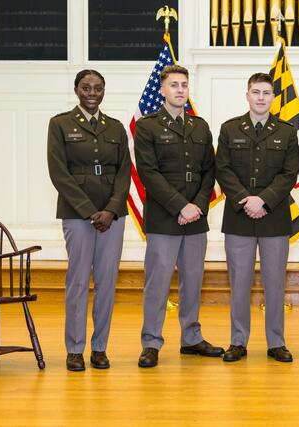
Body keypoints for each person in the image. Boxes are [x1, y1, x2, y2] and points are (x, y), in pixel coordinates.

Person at [134, 64, 224, 368]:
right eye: (174, 85)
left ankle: (191, 337)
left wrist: (196, 205)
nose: (180, 90)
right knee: (157, 282)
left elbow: (208, 172)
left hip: (195, 218)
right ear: (162, 90)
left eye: (184, 85)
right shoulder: (147, 126)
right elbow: (149, 173)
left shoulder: (199, 127)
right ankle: (151, 341)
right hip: (163, 218)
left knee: (192, 281)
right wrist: (180, 206)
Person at [47, 69, 131, 371]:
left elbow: (124, 173)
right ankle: (74, 348)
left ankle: (99, 348)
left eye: (97, 88)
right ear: (76, 90)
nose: (92, 93)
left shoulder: (116, 127)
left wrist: (110, 209)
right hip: (77, 214)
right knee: (79, 281)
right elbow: (59, 173)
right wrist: (88, 210)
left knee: (107, 283)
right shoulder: (60, 124)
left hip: (113, 215)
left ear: (104, 91)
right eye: (86, 88)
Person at [215, 72, 299, 363]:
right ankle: (238, 341)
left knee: (275, 283)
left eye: (266, 92)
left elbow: (289, 173)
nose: (261, 97)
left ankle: (276, 342)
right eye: (256, 92)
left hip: (273, 216)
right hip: (239, 217)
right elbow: (223, 169)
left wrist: (263, 199)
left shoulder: (287, 131)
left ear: (273, 98)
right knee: (239, 283)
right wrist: (246, 200)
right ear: (247, 95)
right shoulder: (229, 129)